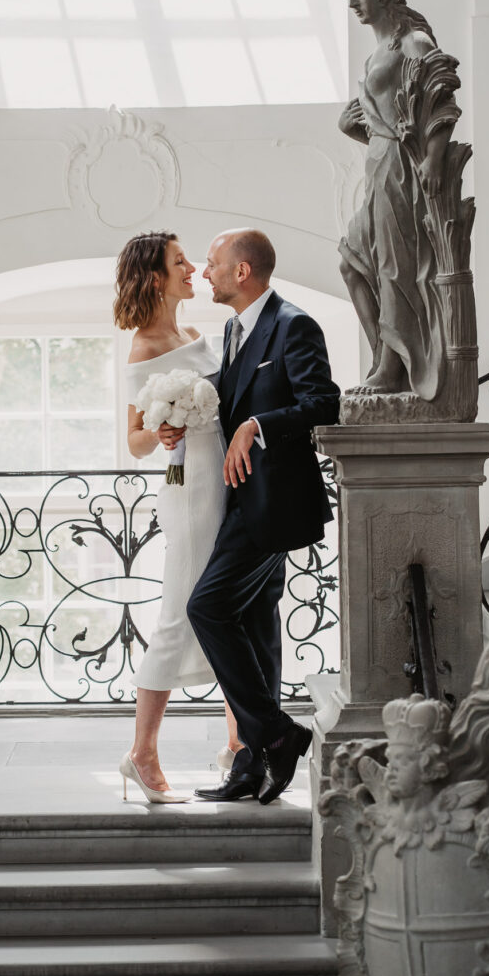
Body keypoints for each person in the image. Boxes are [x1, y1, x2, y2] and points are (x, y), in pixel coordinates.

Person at [188, 229, 341, 804]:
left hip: (273, 503)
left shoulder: (293, 325)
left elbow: (324, 403)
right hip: (237, 499)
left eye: (212, 264)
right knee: (255, 627)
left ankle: (278, 733)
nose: (205, 272)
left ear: (242, 271)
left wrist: (257, 426)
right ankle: (253, 767)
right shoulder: (233, 330)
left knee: (206, 607)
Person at [114, 231, 241, 803]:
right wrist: (160, 431)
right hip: (188, 488)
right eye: (179, 262)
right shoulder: (143, 348)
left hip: (227, 479)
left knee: (232, 611)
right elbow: (135, 441)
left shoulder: (193, 336)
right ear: (155, 277)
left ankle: (238, 744)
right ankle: (141, 754)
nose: (192, 269)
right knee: (179, 613)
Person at [338, 0, 453, 400]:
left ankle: (392, 369)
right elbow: (384, 123)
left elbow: (441, 95)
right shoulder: (377, 52)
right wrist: (352, 128)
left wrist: (434, 158)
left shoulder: (414, 41)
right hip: (379, 166)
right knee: (352, 262)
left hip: (401, 172)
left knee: (393, 267)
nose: (353, 3)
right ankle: (383, 360)